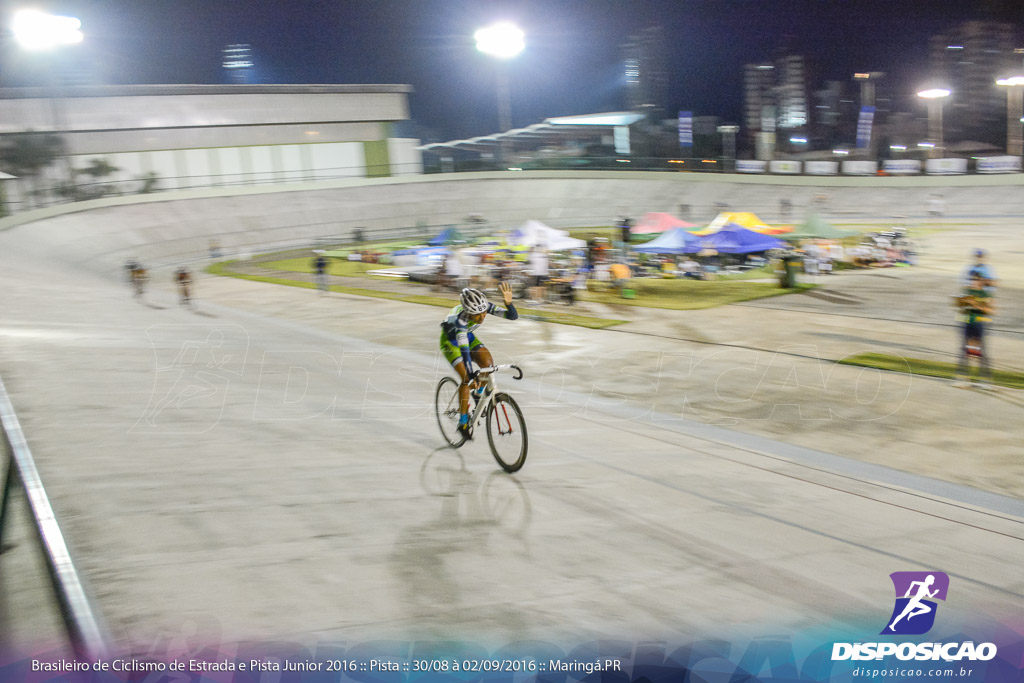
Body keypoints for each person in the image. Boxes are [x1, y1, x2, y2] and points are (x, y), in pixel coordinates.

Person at [440, 284, 518, 439]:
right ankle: (463, 422)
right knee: (467, 379)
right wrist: (471, 376)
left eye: (484, 312)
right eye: (477, 315)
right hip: (451, 343)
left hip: (467, 337)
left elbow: (512, 316)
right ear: (468, 313)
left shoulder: (483, 307)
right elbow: (465, 354)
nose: (482, 317)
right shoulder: (460, 322)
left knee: (488, 365)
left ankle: (477, 394)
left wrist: (509, 304)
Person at [953, 271, 995, 388]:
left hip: (979, 323)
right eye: (972, 279)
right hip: (967, 323)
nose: (973, 282)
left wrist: (977, 305)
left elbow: (992, 311)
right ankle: (962, 378)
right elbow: (958, 306)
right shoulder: (966, 291)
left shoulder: (985, 294)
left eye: (976, 280)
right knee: (965, 351)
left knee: (981, 351)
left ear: (981, 281)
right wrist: (962, 303)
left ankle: (986, 380)